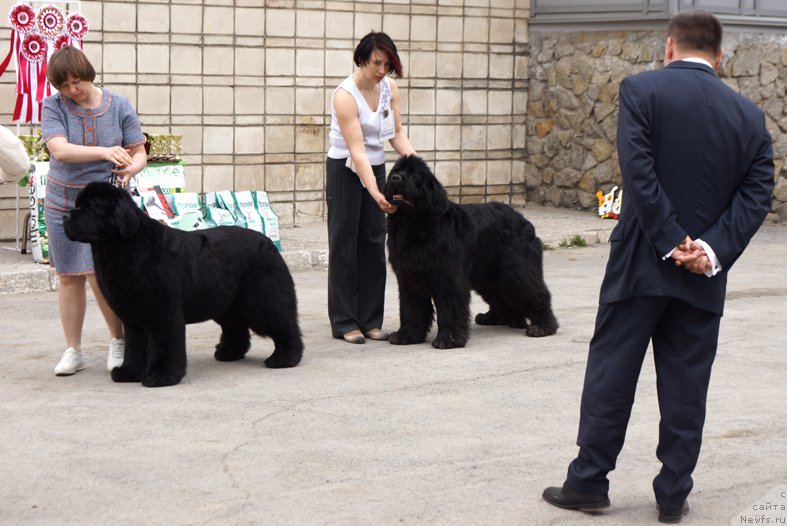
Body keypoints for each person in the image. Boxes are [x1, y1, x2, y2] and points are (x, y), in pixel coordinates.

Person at [541, 10, 774, 524]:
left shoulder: (641, 91)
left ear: (669, 47)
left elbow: (638, 173)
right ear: (720, 56)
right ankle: (672, 496)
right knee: (688, 385)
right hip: (703, 277)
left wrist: (672, 242)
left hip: (640, 266)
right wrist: (709, 251)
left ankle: (589, 484)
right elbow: (758, 193)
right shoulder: (749, 117)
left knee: (612, 375)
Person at [41, 45, 147, 376]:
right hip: (64, 204)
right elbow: (59, 150)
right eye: (64, 86)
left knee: (101, 276)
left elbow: (138, 149)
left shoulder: (118, 105)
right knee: (69, 277)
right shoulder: (52, 106)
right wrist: (104, 152)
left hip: (106, 210)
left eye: (76, 82)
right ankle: (73, 349)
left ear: (88, 73)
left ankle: (119, 342)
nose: (72, 90)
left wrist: (132, 169)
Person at [326, 31, 416, 345]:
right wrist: (376, 192)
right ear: (362, 57)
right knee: (345, 243)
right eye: (377, 63)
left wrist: (419, 166)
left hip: (375, 166)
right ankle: (345, 321)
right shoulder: (344, 95)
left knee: (374, 242)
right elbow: (357, 151)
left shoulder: (389, 87)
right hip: (345, 168)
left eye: (387, 65)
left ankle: (370, 319)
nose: (381, 70)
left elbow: (397, 133)